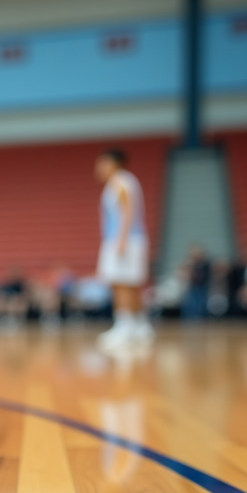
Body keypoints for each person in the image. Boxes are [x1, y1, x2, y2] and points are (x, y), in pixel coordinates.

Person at [94, 148, 152, 348]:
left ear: (113, 163)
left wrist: (121, 240)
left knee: (120, 283)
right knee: (131, 284)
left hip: (122, 239)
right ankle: (140, 326)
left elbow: (128, 212)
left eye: (102, 163)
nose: (98, 168)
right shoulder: (126, 181)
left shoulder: (120, 182)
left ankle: (124, 328)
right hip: (130, 239)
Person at [181, 243, 211, 320]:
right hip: (192, 287)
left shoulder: (205, 264)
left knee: (199, 306)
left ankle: (199, 319)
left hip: (201, 288)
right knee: (189, 305)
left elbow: (202, 277)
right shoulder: (191, 264)